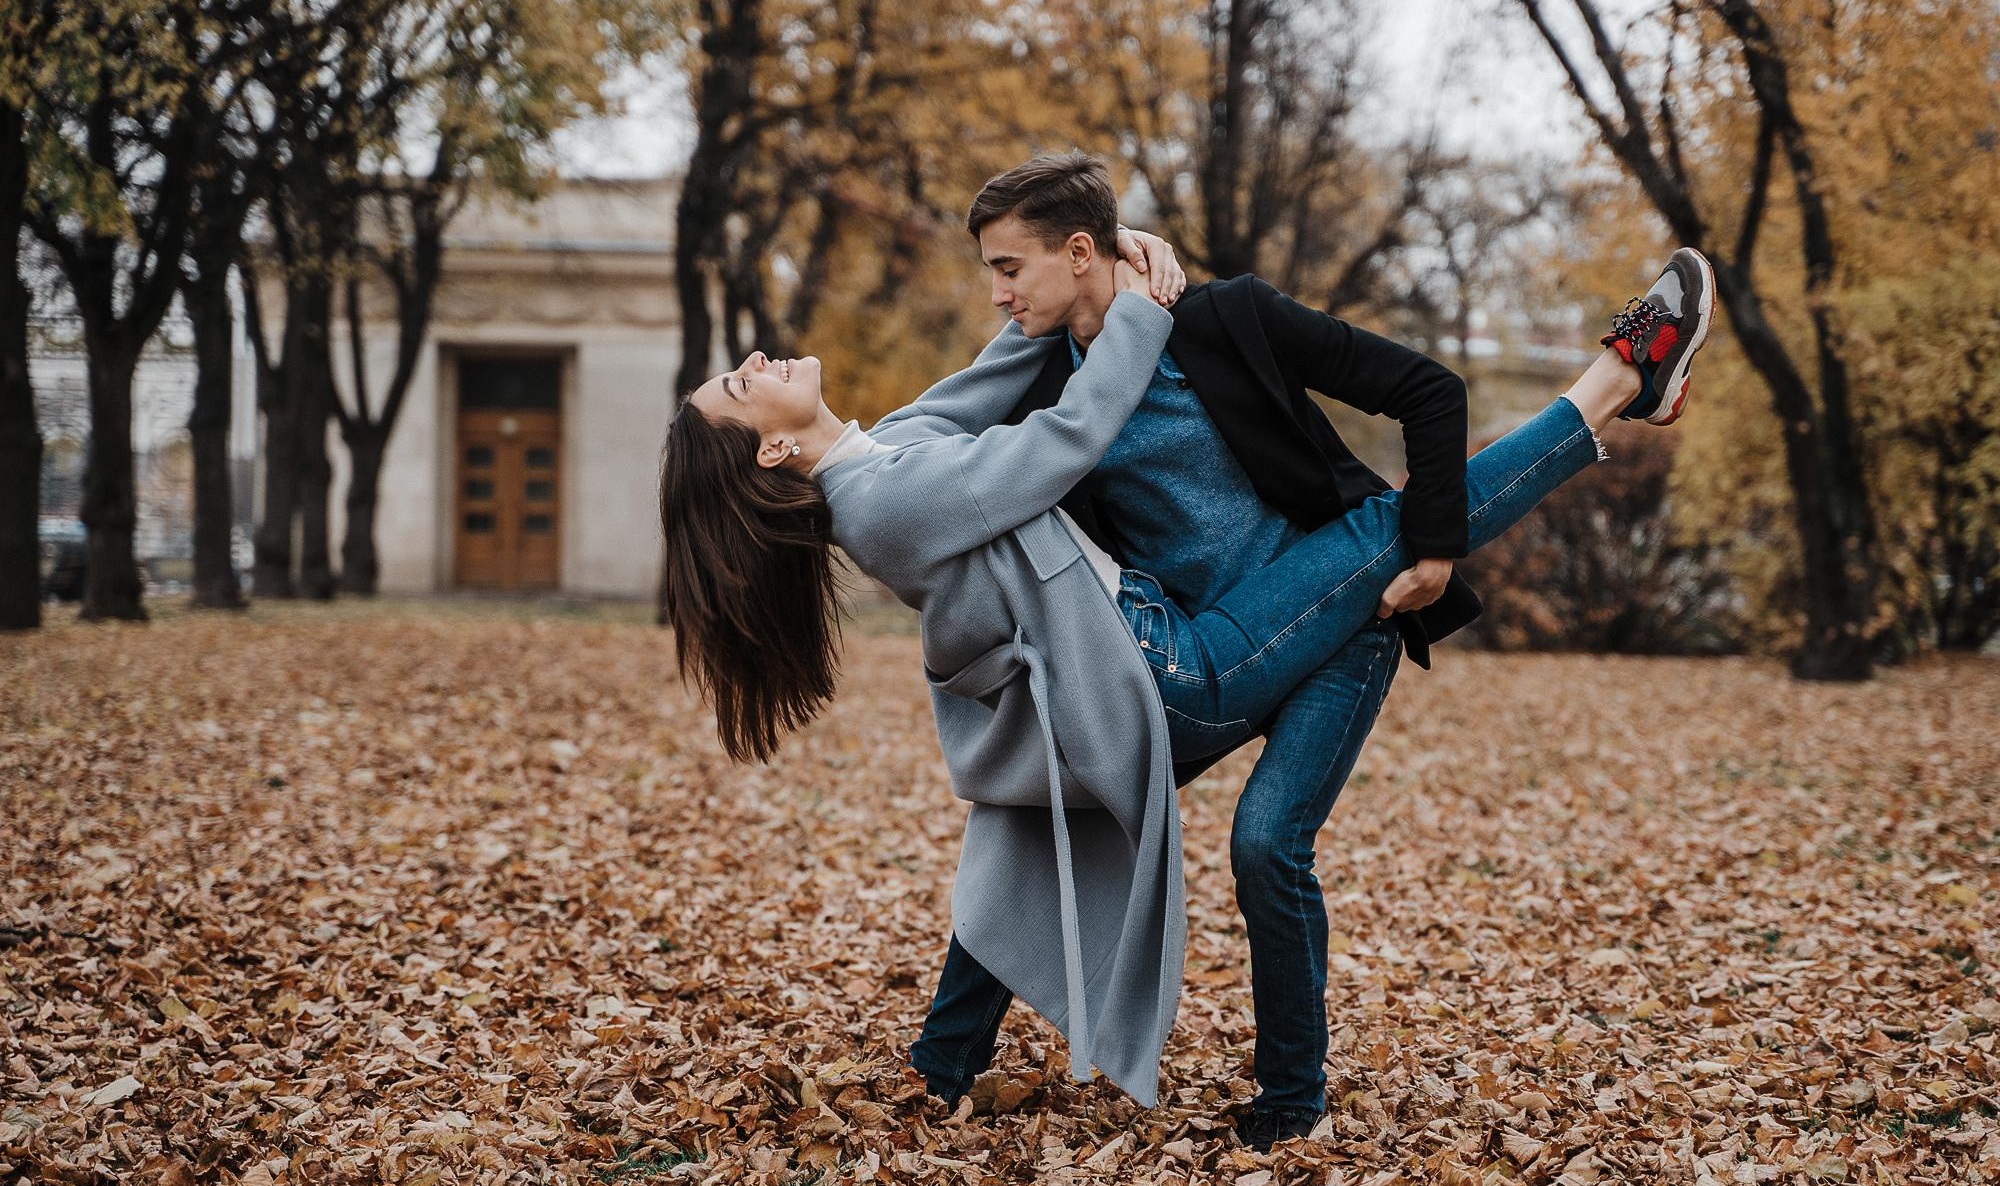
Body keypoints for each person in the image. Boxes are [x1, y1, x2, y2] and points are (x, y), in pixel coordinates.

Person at [656, 196, 1714, 1126]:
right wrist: (1140, 307)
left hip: (1180, 647)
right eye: (739, 390)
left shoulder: (884, 447)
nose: (752, 365)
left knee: (1161, 844)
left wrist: (1104, 267)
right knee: (1394, 528)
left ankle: (947, 1063)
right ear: (769, 450)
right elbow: (1062, 439)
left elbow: (1008, 363)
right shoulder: (881, 502)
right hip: (1165, 668)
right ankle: (1620, 375)